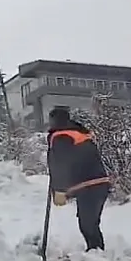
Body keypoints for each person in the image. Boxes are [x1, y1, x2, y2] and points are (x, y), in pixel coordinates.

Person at [46, 107, 111, 251]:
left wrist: (59, 190)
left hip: (89, 185)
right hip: (98, 183)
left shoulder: (62, 136)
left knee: (88, 225)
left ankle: (96, 253)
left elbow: (61, 164)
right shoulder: (76, 133)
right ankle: (96, 253)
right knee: (89, 224)